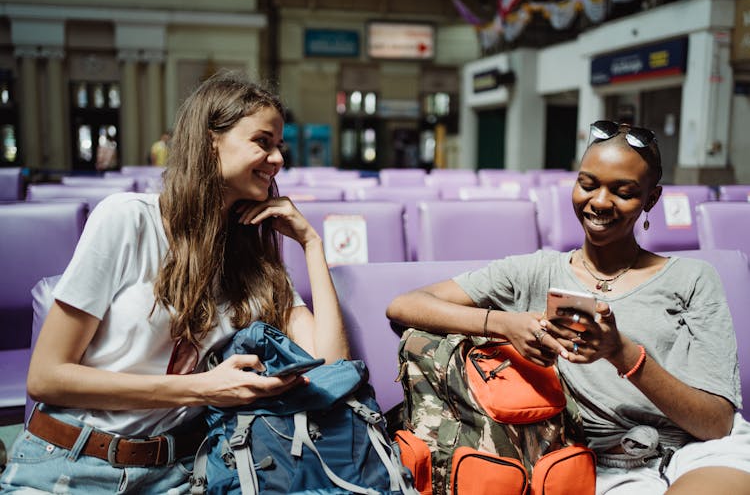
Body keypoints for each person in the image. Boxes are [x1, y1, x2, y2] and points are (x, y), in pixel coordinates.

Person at [0, 71, 349, 493]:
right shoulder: (128, 219)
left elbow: (333, 367)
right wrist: (199, 388)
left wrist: (312, 244)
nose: (278, 159)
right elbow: (46, 378)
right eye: (262, 141)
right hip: (73, 460)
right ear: (209, 141)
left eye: (279, 146)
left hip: (178, 473)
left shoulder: (255, 263)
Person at [386, 120, 750, 494]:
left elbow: (717, 424)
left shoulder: (693, 278)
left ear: (651, 199)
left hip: (702, 451)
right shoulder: (533, 272)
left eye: (623, 192)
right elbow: (405, 305)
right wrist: (504, 324)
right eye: (588, 184)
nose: (600, 202)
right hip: (604, 464)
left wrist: (622, 354)